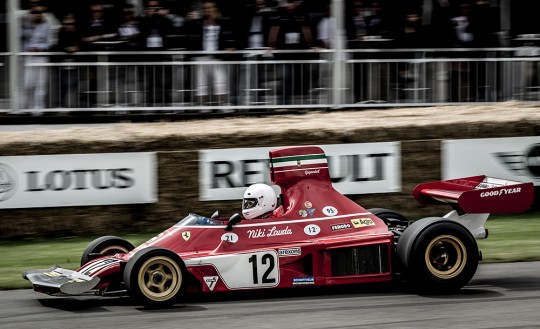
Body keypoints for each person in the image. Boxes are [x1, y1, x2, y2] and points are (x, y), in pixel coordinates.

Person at [21, 5, 53, 113]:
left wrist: (38, 48)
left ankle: (39, 110)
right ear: (31, 13)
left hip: (41, 57)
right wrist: (28, 49)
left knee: (41, 84)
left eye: (39, 12)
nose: (37, 14)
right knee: (28, 84)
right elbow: (21, 41)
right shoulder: (26, 25)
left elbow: (49, 43)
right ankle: (29, 108)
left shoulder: (46, 25)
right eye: (34, 12)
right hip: (29, 57)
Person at [56, 13, 81, 108]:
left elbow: (80, 45)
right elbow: (59, 45)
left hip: (75, 63)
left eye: (71, 24)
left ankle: (74, 106)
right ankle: (63, 107)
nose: (69, 26)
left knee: (74, 85)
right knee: (63, 86)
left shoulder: (77, 32)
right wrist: (67, 49)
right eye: (66, 24)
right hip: (63, 63)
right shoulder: (61, 32)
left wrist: (74, 49)